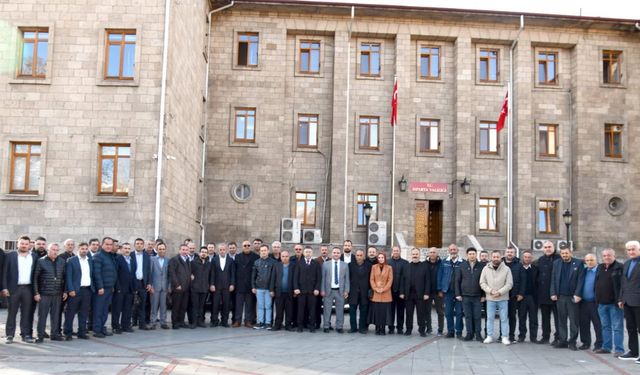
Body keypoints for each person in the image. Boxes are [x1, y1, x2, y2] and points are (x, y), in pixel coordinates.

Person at [2, 235, 37, 344]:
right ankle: (9, 335)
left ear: (29, 245)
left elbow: (36, 274)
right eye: (22, 243)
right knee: (12, 312)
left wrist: (36, 291)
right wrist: (4, 287)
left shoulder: (34, 256)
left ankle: (25, 334)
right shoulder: (10, 255)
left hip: (28, 288)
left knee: (26, 312)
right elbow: (4, 272)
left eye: (26, 244)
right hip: (14, 288)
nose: (24, 246)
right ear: (18, 244)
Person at [550, 247, 583, 350]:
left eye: (566, 253)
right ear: (561, 254)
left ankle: (572, 341)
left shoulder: (578, 263)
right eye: (563, 253)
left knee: (573, 321)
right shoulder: (556, 263)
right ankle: (563, 340)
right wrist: (553, 292)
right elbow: (553, 278)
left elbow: (580, 280)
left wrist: (578, 294)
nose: (565, 255)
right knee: (561, 320)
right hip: (560, 297)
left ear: (570, 253)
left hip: (573, 297)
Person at [34, 243, 67, 343]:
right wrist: (36, 292)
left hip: (58, 293)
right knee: (42, 316)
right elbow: (35, 278)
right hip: (44, 293)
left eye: (57, 250)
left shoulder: (61, 261)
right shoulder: (41, 261)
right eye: (53, 249)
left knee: (56, 315)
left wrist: (65, 291)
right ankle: (40, 335)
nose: (55, 252)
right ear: (48, 250)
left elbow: (65, 278)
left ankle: (55, 334)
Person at [594, 248, 624, 356]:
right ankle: (606, 347)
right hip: (601, 303)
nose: (607, 257)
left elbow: (622, 285)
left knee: (617, 327)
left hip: (614, 304)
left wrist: (620, 299)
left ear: (614, 256)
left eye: (609, 255)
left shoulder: (620, 267)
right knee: (605, 326)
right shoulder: (600, 267)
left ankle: (619, 349)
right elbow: (596, 282)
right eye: (605, 255)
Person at [480, 250, 513, 345]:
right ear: (491, 257)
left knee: (504, 319)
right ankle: (489, 336)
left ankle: (504, 337)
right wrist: (490, 291)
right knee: (490, 318)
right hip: (490, 298)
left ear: (501, 257)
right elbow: (482, 282)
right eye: (494, 257)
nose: (495, 259)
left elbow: (509, 284)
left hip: (503, 298)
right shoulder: (486, 269)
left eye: (497, 257)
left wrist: (499, 292)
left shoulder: (506, 269)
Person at [455, 247, 485, 342]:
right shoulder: (462, 266)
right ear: (467, 255)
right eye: (470, 254)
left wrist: (483, 295)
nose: (472, 255)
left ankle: (478, 334)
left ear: (476, 255)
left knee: (477, 316)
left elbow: (485, 281)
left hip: (477, 296)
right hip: (465, 296)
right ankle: (469, 333)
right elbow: (457, 281)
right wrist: (458, 294)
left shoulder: (482, 266)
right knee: (468, 316)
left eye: (473, 254)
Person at [64, 242, 93, 340]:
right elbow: (68, 276)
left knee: (84, 312)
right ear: (78, 249)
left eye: (86, 249)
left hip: (87, 290)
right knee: (70, 312)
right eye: (82, 249)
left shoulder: (90, 260)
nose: (84, 250)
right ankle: (67, 332)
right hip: (75, 291)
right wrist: (70, 289)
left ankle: (82, 332)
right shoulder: (71, 260)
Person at [618, 240, 640, 362]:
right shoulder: (626, 264)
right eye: (629, 250)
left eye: (633, 249)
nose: (631, 251)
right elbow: (623, 283)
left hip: (638, 301)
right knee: (631, 328)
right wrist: (621, 298)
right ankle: (633, 352)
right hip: (627, 301)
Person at [536, 241, 560, 345]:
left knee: (558, 318)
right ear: (543, 249)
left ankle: (558, 337)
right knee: (545, 318)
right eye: (545, 247)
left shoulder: (559, 259)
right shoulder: (540, 260)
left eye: (549, 247)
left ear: (554, 247)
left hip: (556, 295)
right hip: (543, 295)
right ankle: (545, 337)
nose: (547, 249)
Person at [92, 237, 117, 338]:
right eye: (106, 244)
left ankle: (102, 328)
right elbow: (96, 273)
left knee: (105, 310)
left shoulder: (110, 256)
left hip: (109, 288)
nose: (108, 246)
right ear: (102, 245)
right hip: (101, 289)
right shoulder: (98, 256)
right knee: (98, 310)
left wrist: (112, 286)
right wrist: (100, 287)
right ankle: (97, 330)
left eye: (110, 245)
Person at [576, 253, 602, 351]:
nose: (590, 262)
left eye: (592, 260)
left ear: (596, 260)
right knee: (584, 324)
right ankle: (586, 343)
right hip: (583, 302)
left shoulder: (600, 271)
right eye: (587, 260)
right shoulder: (583, 271)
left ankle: (599, 344)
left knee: (598, 324)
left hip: (595, 302)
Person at [321, 247, 349, 334]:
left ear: (340, 254)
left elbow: (347, 279)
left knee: (340, 310)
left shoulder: (345, 265)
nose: (336, 254)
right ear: (331, 253)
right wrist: (322, 290)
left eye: (337, 253)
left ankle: (339, 326)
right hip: (328, 291)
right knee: (327, 309)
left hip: (340, 291)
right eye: (334, 252)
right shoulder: (326, 264)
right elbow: (323, 278)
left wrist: (346, 290)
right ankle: (326, 326)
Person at [402, 248, 429, 337]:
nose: (415, 255)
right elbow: (402, 280)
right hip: (408, 294)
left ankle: (422, 330)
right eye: (413, 254)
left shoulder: (424, 266)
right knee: (409, 313)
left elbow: (427, 281)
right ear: (411, 255)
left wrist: (426, 293)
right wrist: (402, 292)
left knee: (421, 313)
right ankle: (408, 329)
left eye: (416, 254)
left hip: (420, 294)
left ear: (419, 255)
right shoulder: (407, 266)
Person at [438, 243, 464, 338]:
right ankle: (450, 331)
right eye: (451, 250)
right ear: (448, 251)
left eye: (454, 249)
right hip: (447, 291)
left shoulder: (463, 262)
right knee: (448, 312)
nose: (453, 251)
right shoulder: (444, 262)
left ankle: (459, 332)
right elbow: (440, 275)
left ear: (458, 251)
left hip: (459, 292)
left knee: (459, 313)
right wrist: (440, 289)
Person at [293, 247, 321, 332]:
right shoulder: (299, 263)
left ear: (312, 253)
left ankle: (312, 326)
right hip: (301, 291)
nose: (308, 253)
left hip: (312, 291)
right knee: (300, 310)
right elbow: (295, 277)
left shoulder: (316, 263)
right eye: (306, 252)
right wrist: (296, 288)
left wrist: (317, 288)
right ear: (303, 253)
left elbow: (319, 278)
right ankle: (300, 326)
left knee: (312, 310)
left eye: (309, 252)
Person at [233, 240, 259, 328]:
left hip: (250, 285)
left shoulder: (256, 257)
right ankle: (237, 320)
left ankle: (248, 321)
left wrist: (255, 285)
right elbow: (234, 271)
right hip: (239, 285)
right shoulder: (237, 256)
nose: (247, 247)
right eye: (245, 245)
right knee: (238, 305)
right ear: (242, 247)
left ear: (250, 246)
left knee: (249, 305)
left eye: (248, 245)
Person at [112, 243, 136, 334]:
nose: (127, 250)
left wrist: (134, 288)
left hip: (130, 289)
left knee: (128, 308)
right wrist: (117, 287)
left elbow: (133, 275)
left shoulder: (132, 260)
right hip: (120, 289)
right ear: (121, 249)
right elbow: (116, 275)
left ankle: (125, 325)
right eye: (125, 248)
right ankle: (115, 326)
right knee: (117, 309)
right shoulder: (117, 259)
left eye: (129, 248)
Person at [211, 243, 235, 327]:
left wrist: (232, 284)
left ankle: (224, 321)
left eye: (223, 249)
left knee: (226, 304)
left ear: (226, 250)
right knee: (215, 304)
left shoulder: (230, 260)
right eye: (220, 250)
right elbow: (212, 273)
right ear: (218, 250)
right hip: (216, 286)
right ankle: (214, 321)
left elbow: (232, 273)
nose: (222, 251)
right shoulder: (214, 259)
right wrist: (212, 284)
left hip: (227, 286)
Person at [251, 244, 275, 330]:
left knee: (268, 306)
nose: (263, 252)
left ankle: (268, 323)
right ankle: (260, 322)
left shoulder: (273, 262)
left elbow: (274, 277)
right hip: (259, 288)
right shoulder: (256, 262)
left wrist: (272, 289)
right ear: (260, 252)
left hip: (269, 289)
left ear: (268, 251)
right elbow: (253, 276)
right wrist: (253, 286)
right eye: (262, 251)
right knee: (260, 306)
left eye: (265, 250)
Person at [348, 249, 371, 334]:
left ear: (364, 256)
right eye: (358, 255)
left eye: (361, 255)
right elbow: (348, 278)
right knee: (352, 311)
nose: (359, 257)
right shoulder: (350, 265)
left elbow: (370, 279)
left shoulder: (369, 266)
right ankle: (353, 328)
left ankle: (362, 328)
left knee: (364, 311)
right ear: (355, 256)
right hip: (353, 292)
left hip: (364, 292)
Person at [517, 250, 539, 343]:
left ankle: (533, 337)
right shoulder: (518, 268)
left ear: (531, 258)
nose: (527, 258)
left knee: (533, 318)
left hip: (533, 298)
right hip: (522, 298)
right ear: (523, 258)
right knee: (522, 317)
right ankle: (521, 336)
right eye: (525, 257)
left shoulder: (536, 268)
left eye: (529, 257)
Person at [169, 244, 191, 329]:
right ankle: (175, 323)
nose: (185, 251)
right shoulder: (174, 260)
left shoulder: (187, 260)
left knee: (183, 306)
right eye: (183, 249)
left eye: (186, 250)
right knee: (176, 306)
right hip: (178, 288)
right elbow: (172, 273)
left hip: (186, 288)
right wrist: (177, 284)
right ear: (179, 250)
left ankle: (181, 321)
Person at [370, 252, 393, 336]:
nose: (380, 259)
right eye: (379, 257)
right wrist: (376, 288)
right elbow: (371, 279)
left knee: (384, 313)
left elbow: (390, 280)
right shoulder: (373, 267)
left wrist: (383, 289)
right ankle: (377, 328)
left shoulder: (389, 268)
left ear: (384, 258)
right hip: (376, 293)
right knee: (377, 312)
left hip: (386, 293)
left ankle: (383, 329)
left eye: (382, 257)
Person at [132, 238, 152, 330]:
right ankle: (131, 322)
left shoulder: (146, 256)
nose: (139, 245)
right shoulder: (131, 255)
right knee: (131, 304)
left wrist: (149, 283)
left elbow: (149, 271)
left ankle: (142, 324)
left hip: (143, 283)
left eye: (141, 244)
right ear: (134, 245)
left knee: (142, 304)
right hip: (133, 283)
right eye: (137, 243)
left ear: (143, 245)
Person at [272, 250, 295, 331]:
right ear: (280, 257)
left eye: (286, 256)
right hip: (279, 292)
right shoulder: (276, 265)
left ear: (289, 257)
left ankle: (288, 325)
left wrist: (295, 290)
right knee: (279, 310)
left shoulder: (293, 266)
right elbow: (273, 278)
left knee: (289, 310)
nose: (285, 258)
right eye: (283, 256)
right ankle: (277, 325)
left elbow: (295, 279)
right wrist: (272, 290)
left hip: (289, 293)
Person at [503, 246, 521, 343]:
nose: (509, 253)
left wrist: (520, 293)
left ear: (514, 254)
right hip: (501, 295)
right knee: (503, 316)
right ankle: (502, 335)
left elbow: (522, 280)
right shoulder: (500, 264)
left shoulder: (518, 265)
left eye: (511, 252)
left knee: (512, 316)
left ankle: (511, 335)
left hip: (513, 295)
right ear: (505, 253)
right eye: (508, 252)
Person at [191, 247, 213, 328]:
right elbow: (189, 273)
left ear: (207, 254)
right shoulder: (193, 262)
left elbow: (211, 275)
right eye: (202, 252)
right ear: (199, 253)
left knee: (202, 306)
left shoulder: (209, 264)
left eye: (205, 252)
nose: (203, 253)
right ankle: (194, 322)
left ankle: (200, 321)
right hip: (195, 288)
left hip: (204, 288)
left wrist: (209, 285)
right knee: (195, 306)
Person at [388, 245, 408, 335]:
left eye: (397, 250)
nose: (396, 252)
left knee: (400, 311)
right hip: (390, 291)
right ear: (392, 251)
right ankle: (391, 327)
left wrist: (402, 291)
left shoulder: (405, 263)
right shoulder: (388, 262)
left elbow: (406, 278)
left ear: (400, 251)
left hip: (401, 292)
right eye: (394, 250)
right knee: (390, 311)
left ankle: (400, 328)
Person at [150, 242, 170, 330]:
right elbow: (149, 273)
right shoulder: (152, 259)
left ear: (165, 250)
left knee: (164, 305)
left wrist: (169, 286)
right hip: (155, 286)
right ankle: (153, 322)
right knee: (154, 305)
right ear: (157, 250)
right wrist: (150, 285)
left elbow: (170, 275)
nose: (161, 250)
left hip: (164, 287)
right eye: (160, 249)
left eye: (163, 249)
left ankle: (163, 322)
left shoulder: (168, 260)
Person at [425, 247, 444, 336]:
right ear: (428, 254)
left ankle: (440, 329)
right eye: (431, 252)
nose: (432, 254)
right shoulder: (424, 264)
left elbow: (444, 277)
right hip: (427, 292)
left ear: (437, 254)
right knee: (427, 311)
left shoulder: (442, 263)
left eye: (434, 252)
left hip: (438, 292)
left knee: (440, 311)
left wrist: (441, 290)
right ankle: (429, 328)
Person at [315, 245, 330, 329]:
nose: (324, 251)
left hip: (328, 287)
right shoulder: (316, 261)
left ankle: (328, 324)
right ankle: (317, 323)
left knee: (328, 307)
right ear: (320, 251)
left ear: (328, 251)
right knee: (317, 306)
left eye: (325, 250)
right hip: (318, 287)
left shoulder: (331, 260)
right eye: (322, 250)